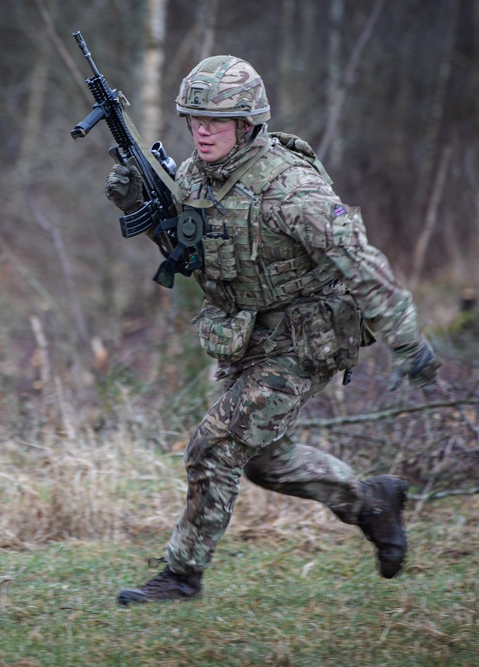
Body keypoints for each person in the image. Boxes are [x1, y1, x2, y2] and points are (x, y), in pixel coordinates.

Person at [103, 55, 440, 605]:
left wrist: (407, 340)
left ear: (248, 123)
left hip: (304, 339)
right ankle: (370, 502)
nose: (203, 130)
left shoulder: (290, 187)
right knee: (267, 460)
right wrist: (140, 202)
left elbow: (358, 257)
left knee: (214, 446)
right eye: (194, 119)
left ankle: (181, 575)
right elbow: (189, 253)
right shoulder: (193, 177)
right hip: (246, 337)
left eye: (218, 120)